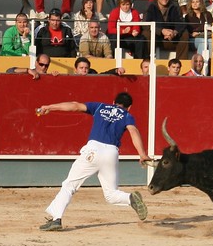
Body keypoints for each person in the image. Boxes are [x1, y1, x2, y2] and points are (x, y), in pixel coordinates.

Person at [36, 92, 151, 231]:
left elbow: (75, 106)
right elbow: (133, 131)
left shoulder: (100, 107)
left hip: (93, 150)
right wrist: (142, 154)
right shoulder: (127, 116)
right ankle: (130, 198)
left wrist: (50, 107)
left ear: (113, 101)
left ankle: (56, 219)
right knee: (111, 194)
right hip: (111, 153)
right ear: (130, 107)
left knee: (69, 185)